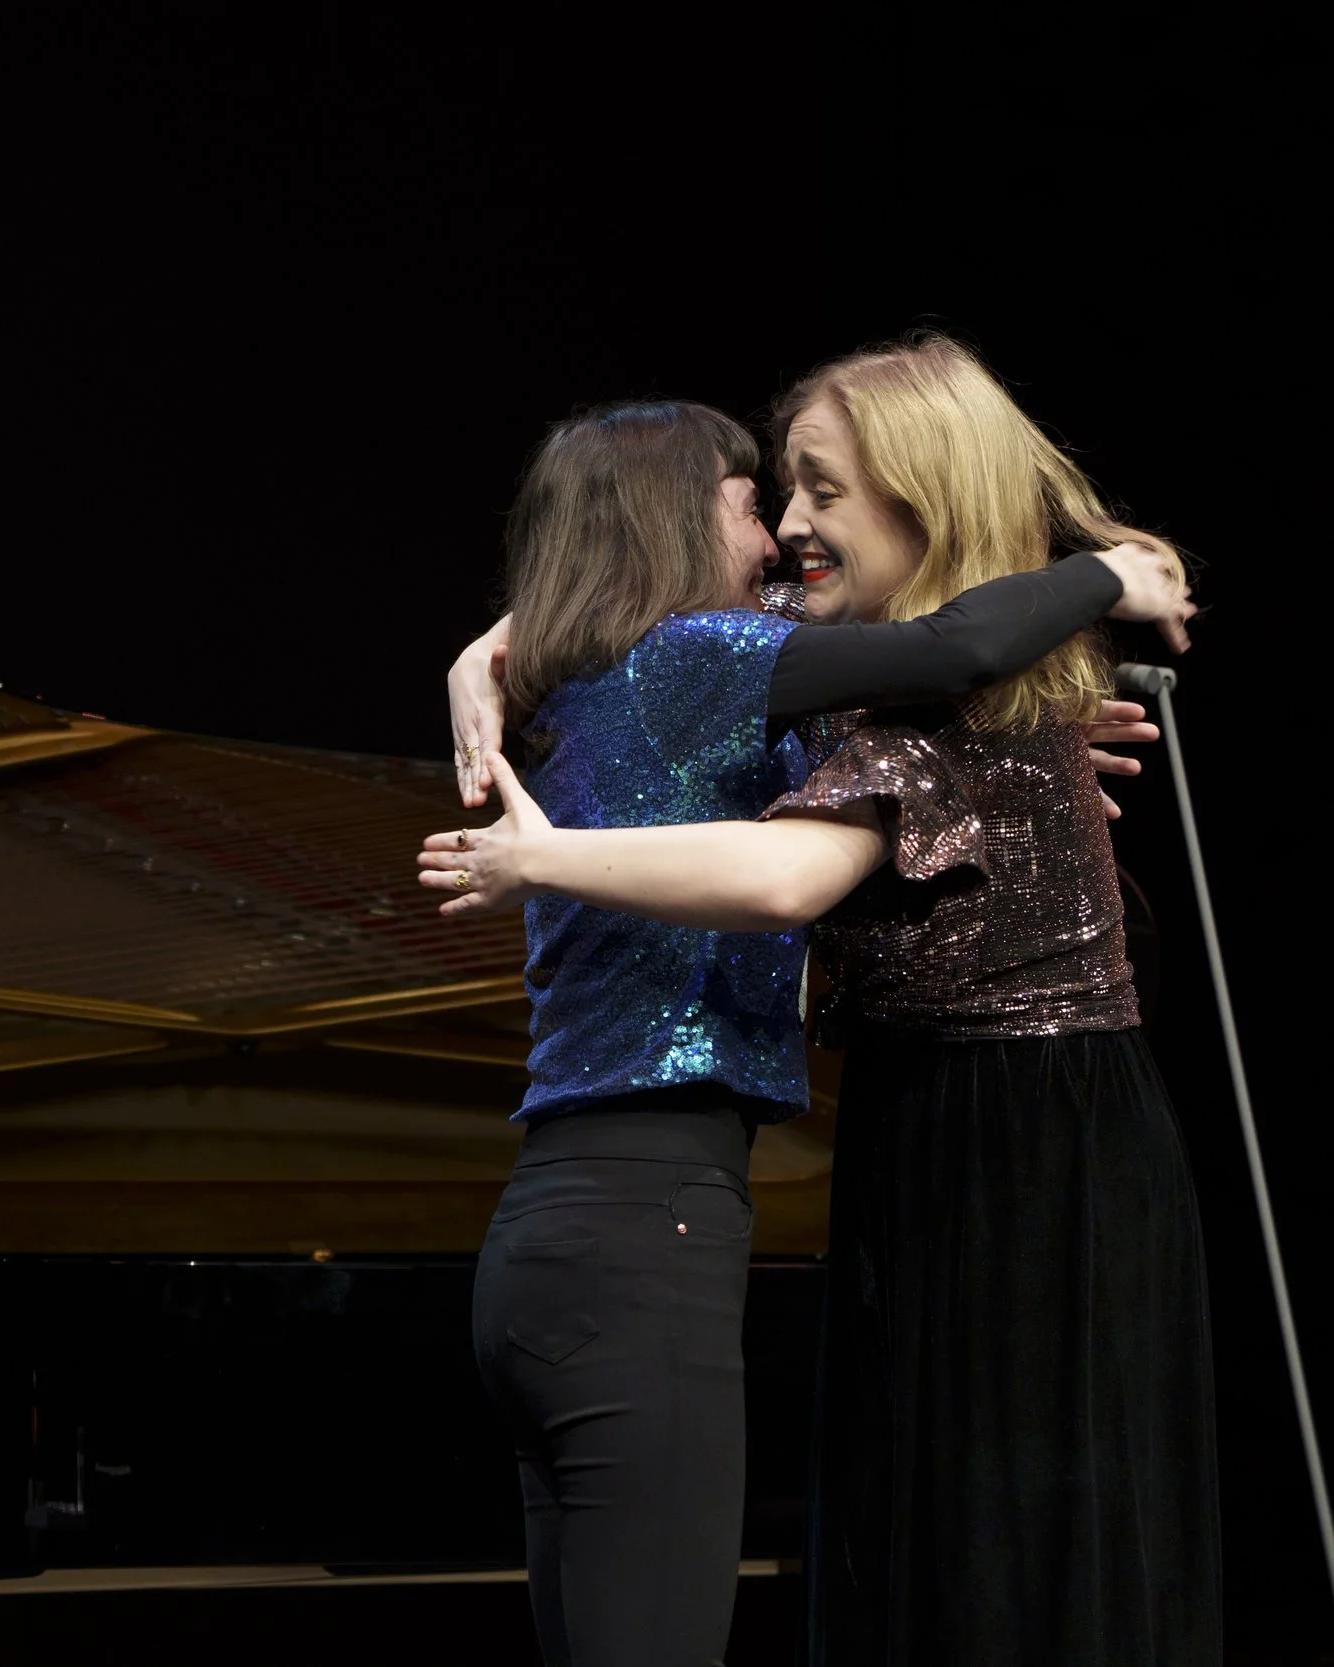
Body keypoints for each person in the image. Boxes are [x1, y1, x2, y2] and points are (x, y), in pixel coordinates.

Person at [422, 336, 1217, 1666]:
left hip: (605, 1217)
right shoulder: (723, 658)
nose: (785, 528)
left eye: (810, 490)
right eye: (756, 492)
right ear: (675, 522)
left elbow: (952, 655)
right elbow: (826, 825)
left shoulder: (635, 665)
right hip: (671, 1210)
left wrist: (482, 653)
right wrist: (1104, 575)